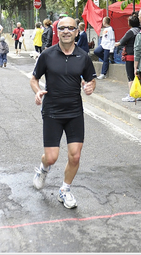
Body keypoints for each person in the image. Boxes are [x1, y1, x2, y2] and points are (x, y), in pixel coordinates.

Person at [30, 16, 96, 209]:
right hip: (52, 111)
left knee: (75, 156)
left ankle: (64, 190)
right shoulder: (47, 55)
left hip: (74, 111)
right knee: (51, 157)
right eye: (62, 28)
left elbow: (91, 79)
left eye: (71, 28)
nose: (66, 31)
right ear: (58, 31)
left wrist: (91, 87)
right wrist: (37, 91)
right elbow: (34, 78)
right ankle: (43, 168)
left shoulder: (83, 56)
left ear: (77, 32)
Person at [115, 14, 141, 102]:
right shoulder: (140, 31)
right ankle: (138, 94)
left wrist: (116, 44)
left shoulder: (131, 32)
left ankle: (131, 95)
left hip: (130, 56)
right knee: (138, 75)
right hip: (140, 56)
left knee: (131, 76)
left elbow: (121, 42)